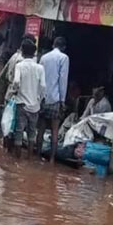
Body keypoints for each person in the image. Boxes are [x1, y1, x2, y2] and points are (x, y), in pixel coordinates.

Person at [11, 39, 45, 158]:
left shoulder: (19, 66)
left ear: (22, 52)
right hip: (35, 106)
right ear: (34, 53)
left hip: (22, 103)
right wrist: (39, 100)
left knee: (19, 131)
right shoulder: (40, 68)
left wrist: (15, 90)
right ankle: (30, 159)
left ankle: (17, 159)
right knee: (32, 133)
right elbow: (43, 86)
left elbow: (16, 81)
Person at [37, 36, 69, 164]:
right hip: (56, 99)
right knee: (55, 129)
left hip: (43, 98)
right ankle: (52, 159)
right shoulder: (64, 58)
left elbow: (39, 78)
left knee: (41, 129)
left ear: (53, 45)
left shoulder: (44, 58)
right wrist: (62, 100)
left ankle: (37, 156)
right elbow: (63, 80)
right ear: (63, 47)